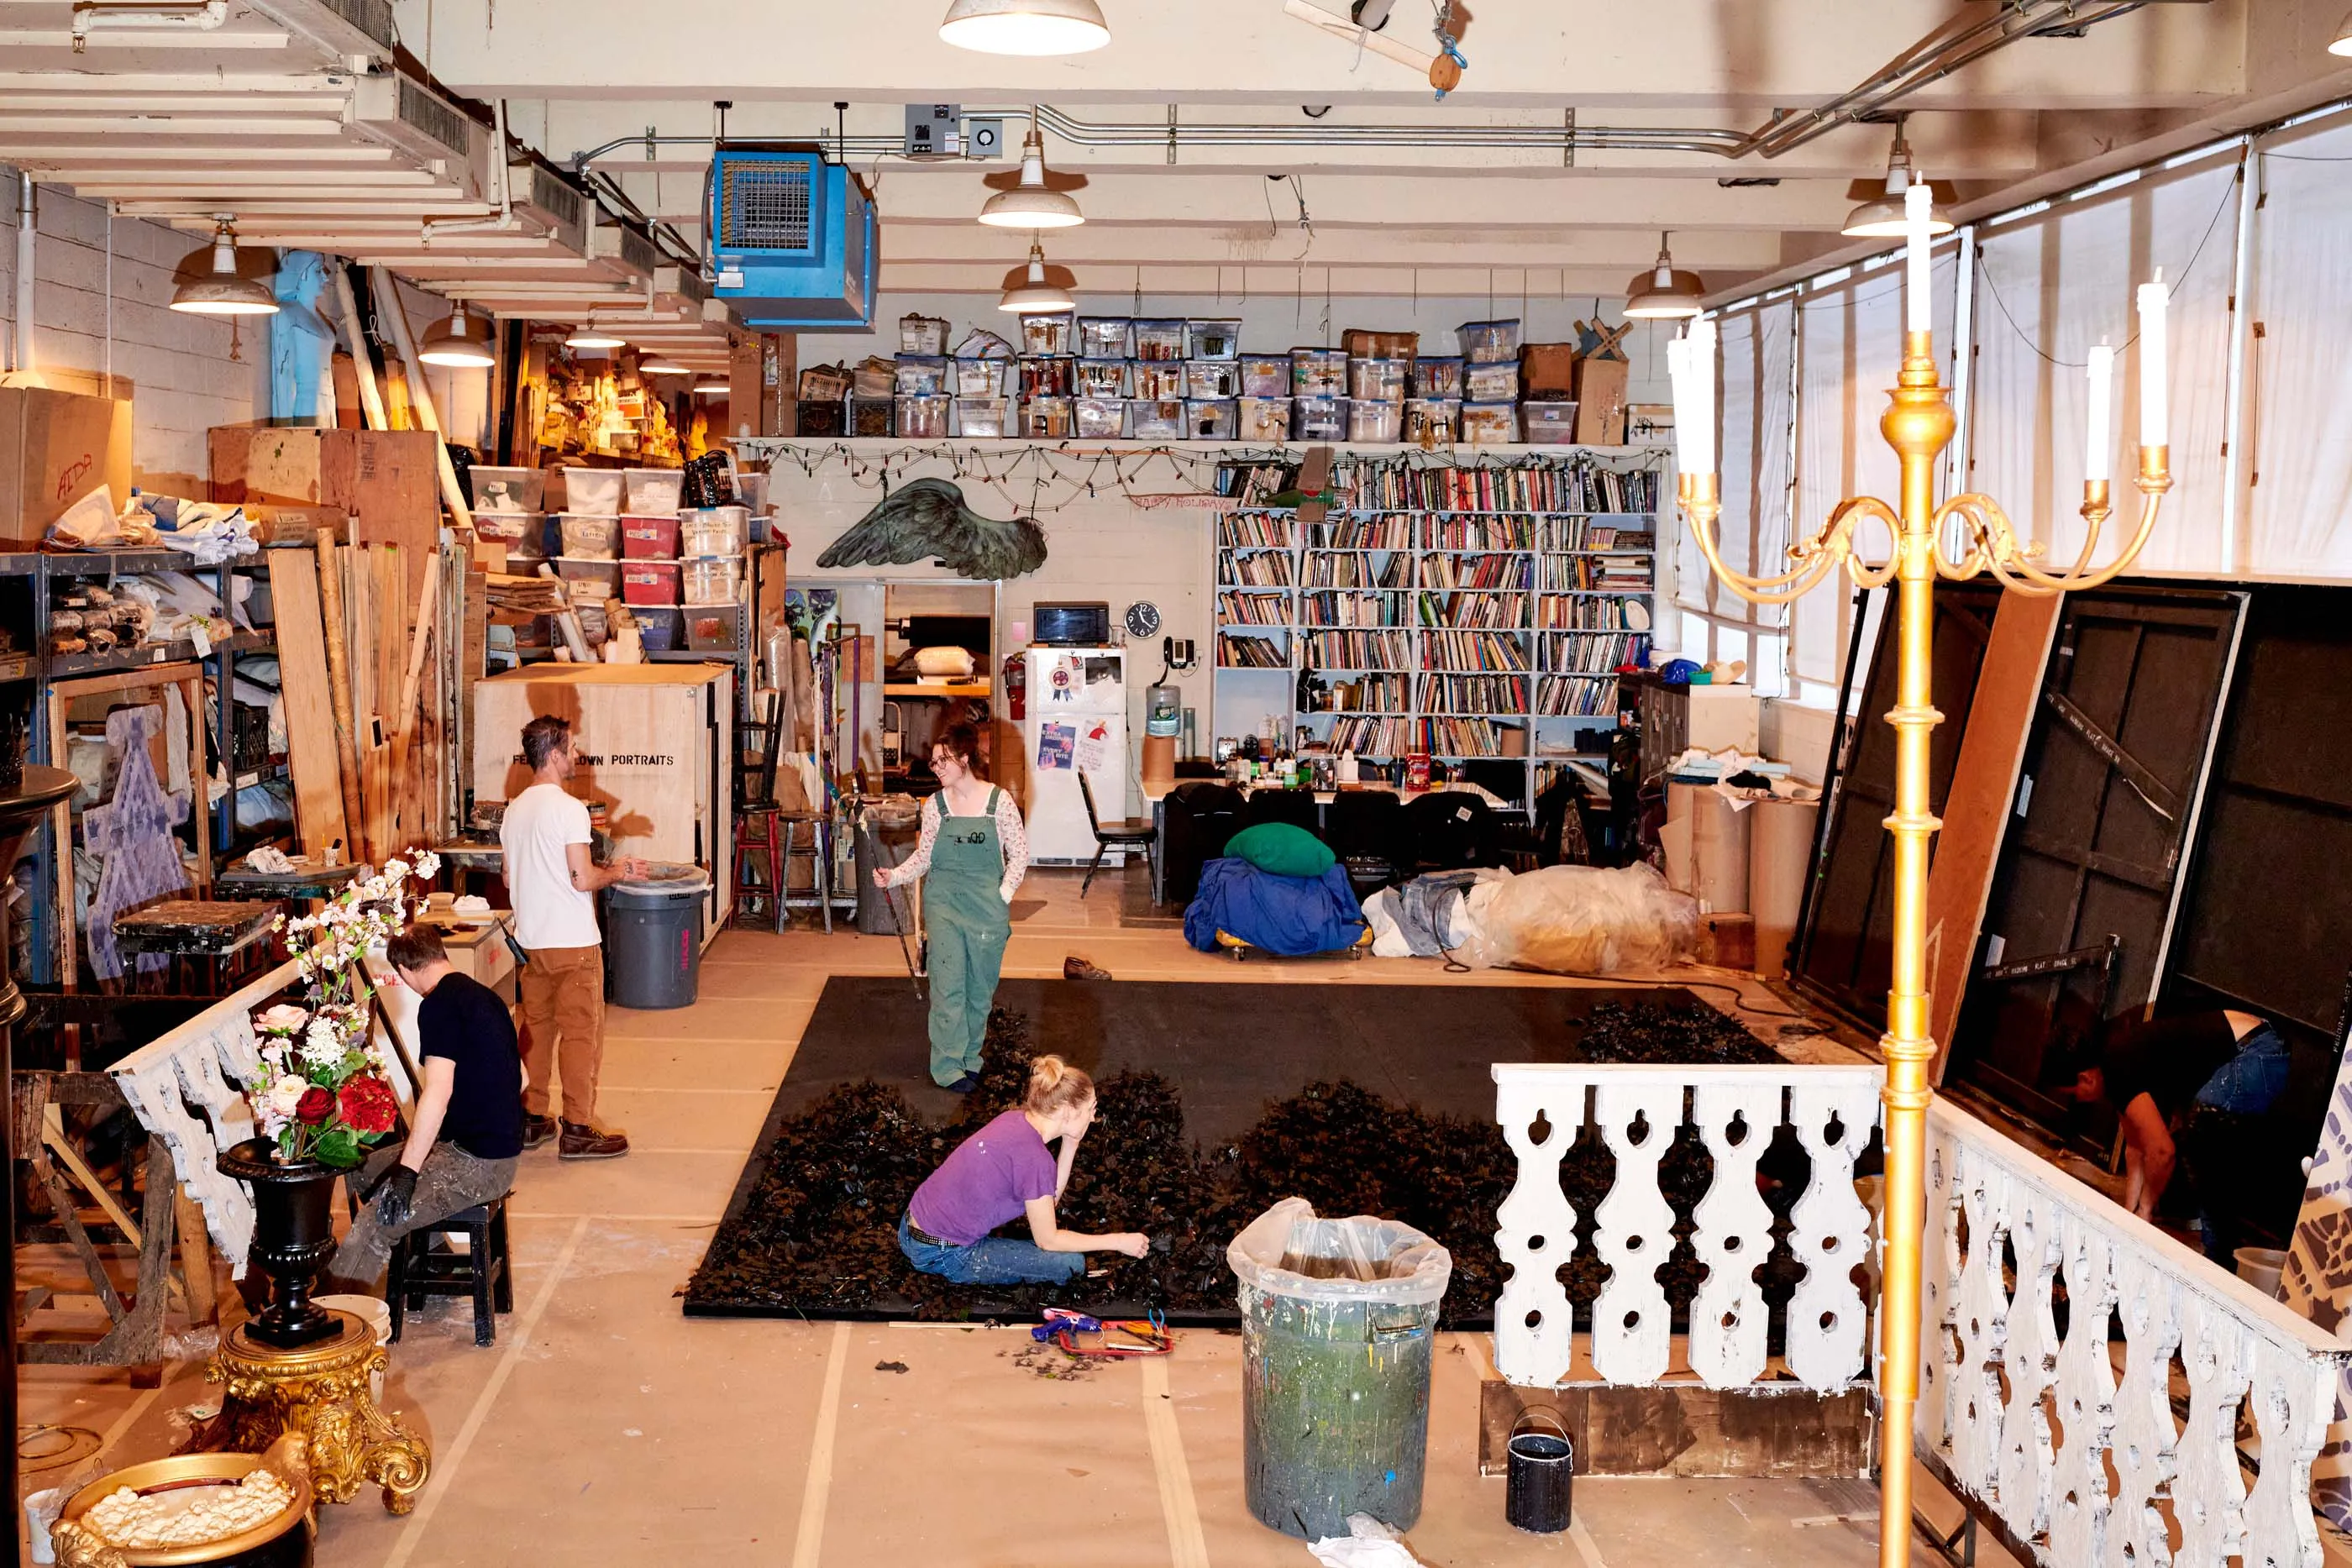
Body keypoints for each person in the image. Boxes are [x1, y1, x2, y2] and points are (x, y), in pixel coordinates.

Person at [327, 924, 525, 1290]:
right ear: (440, 953)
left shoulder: (437, 1007)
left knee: (377, 1219)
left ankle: (336, 1317)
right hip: (487, 1149)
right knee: (364, 1171)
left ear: (403, 971)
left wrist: (408, 1173)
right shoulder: (483, 996)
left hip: (481, 1163)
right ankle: (430, 1259)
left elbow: (437, 1094)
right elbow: (522, 1078)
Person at [501, 714, 644, 1159]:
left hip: (532, 943)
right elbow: (581, 878)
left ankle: (532, 1117)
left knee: (536, 1030)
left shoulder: (514, 810)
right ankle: (579, 1128)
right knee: (582, 1034)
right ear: (556, 754)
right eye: (572, 748)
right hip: (573, 943)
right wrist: (620, 870)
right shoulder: (568, 809)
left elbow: (509, 877)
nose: (578, 756)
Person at [874, 721, 1029, 1092]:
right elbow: (924, 857)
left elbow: (1019, 855)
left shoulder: (998, 803)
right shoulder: (936, 807)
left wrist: (1002, 895)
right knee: (948, 988)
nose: (936, 768)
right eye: (934, 762)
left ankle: (969, 1057)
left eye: (942, 761)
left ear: (964, 759)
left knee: (980, 990)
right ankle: (947, 1065)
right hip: (943, 905)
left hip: (987, 910)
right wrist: (893, 876)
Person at [898, 1056, 1148, 1285]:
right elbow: (1048, 1240)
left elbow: (1049, 1201)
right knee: (1071, 1264)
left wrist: (1072, 1143)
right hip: (941, 1253)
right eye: (1091, 1109)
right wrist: (1118, 1241)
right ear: (1070, 1111)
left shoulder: (1014, 1119)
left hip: (911, 1225)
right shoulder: (1036, 1161)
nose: (1093, 1119)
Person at [2071, 1007, 2290, 1256]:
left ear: (2086, 1078)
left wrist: (2145, 1210)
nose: (2078, 1100)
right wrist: (2130, 1214)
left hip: (2259, 1050)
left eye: (2074, 1093)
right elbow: (2136, 1148)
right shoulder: (2114, 1069)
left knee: (2202, 1127)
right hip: (2248, 1050)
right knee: (2195, 1130)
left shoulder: (2120, 1069)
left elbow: (2163, 1152)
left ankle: (2220, 1254)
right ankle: (2213, 1236)